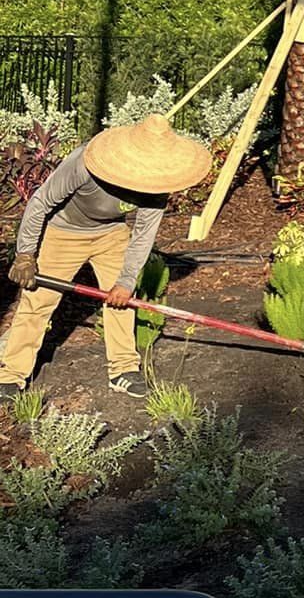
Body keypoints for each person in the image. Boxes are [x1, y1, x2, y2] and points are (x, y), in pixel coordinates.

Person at [1, 115, 211, 400]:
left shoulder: (157, 183)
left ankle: (123, 369)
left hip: (112, 234)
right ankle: (12, 374)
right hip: (63, 231)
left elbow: (143, 235)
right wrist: (25, 254)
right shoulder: (84, 163)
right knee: (38, 300)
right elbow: (40, 203)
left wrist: (125, 282)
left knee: (122, 300)